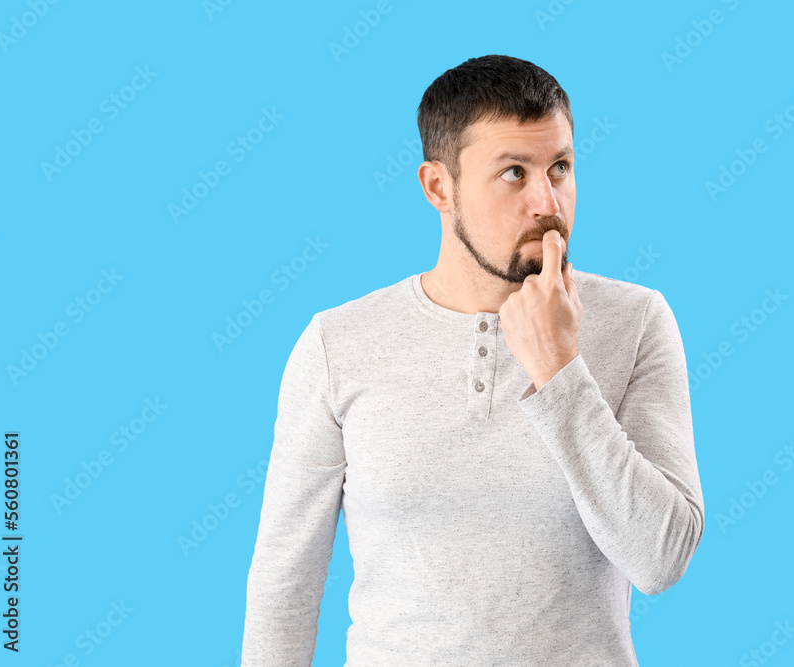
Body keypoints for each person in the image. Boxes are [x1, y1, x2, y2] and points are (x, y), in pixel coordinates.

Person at [241, 53, 704, 666]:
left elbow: (661, 558)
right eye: (514, 172)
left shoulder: (637, 322)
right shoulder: (339, 344)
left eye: (560, 168)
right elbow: (285, 587)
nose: (548, 201)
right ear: (439, 188)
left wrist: (560, 370)